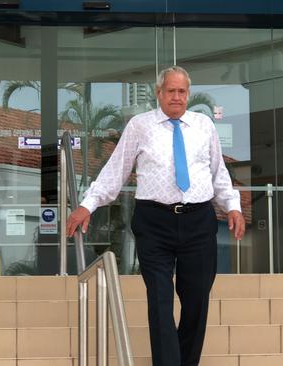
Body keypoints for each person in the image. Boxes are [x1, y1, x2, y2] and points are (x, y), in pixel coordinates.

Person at [66, 66, 245, 366]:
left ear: (188, 94)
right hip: (154, 222)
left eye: (182, 91)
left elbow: (218, 173)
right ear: (158, 93)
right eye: (171, 91)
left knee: (197, 300)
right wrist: (88, 204)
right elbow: (116, 169)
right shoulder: (140, 125)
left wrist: (233, 206)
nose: (177, 97)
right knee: (160, 301)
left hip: (199, 220)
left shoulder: (203, 126)